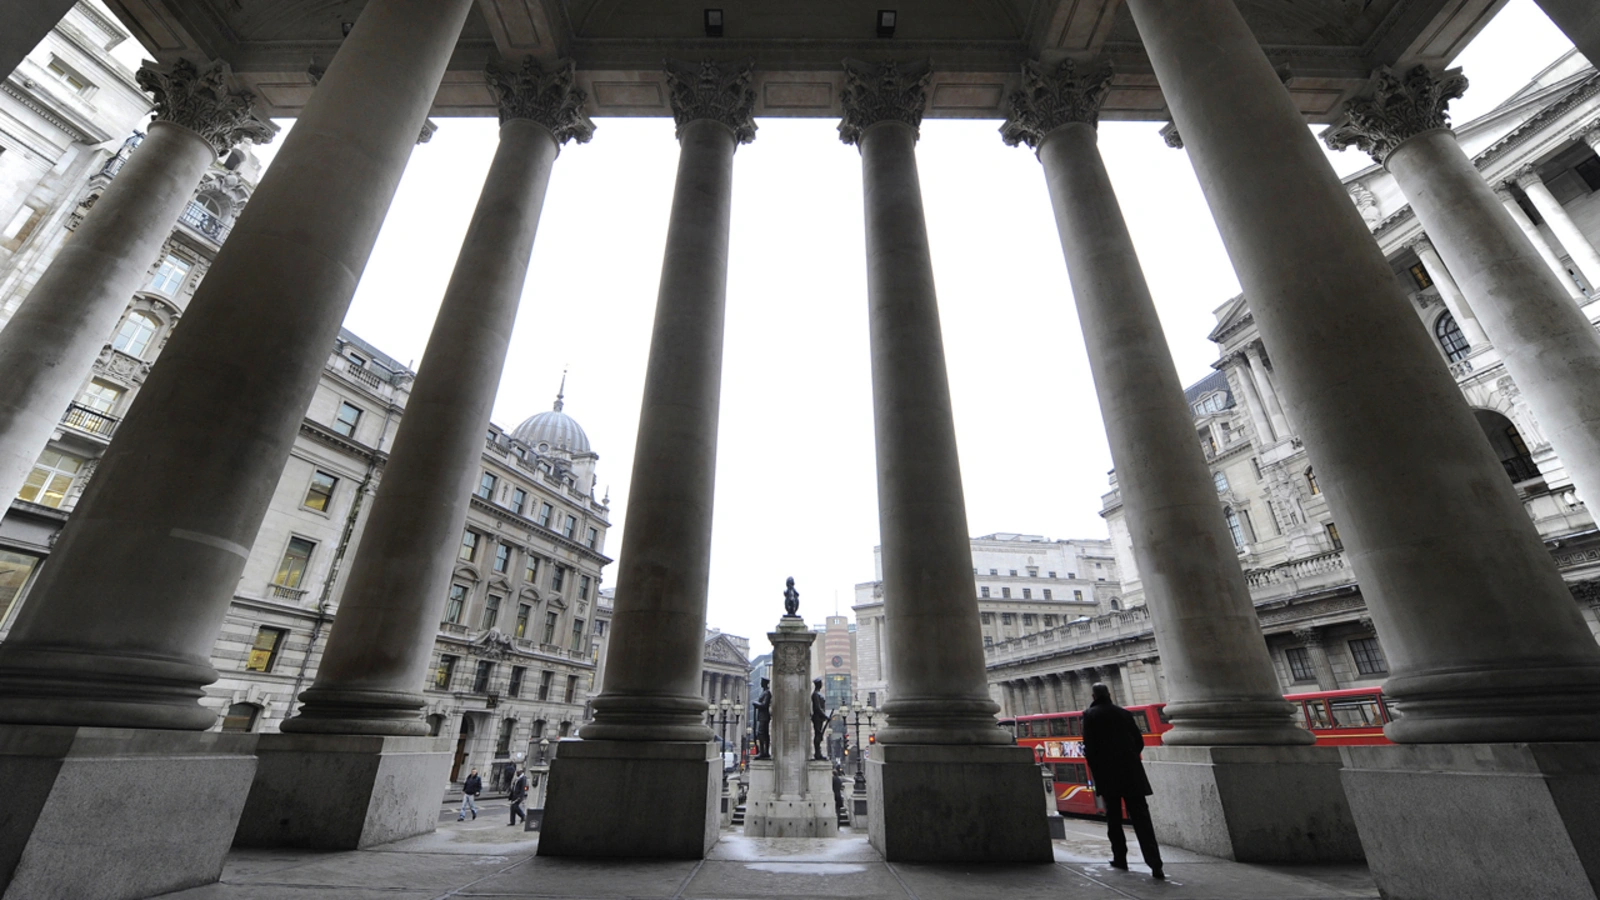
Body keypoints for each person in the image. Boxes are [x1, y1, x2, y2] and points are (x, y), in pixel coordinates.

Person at [1081, 682, 1163, 880]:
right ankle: (1155, 864)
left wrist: (1098, 770)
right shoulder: (1124, 713)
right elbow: (1139, 741)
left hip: (1109, 775)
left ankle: (1120, 858)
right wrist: (1130, 759)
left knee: (1114, 819)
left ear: (1093, 696)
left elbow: (1090, 748)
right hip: (1132, 773)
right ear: (1109, 694)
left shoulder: (1090, 716)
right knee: (1142, 819)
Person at [753, 677, 773, 759]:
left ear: (764, 683)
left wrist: (755, 703)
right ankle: (763, 752)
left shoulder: (767, 693)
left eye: (761, 682)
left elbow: (764, 705)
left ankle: (763, 752)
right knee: (762, 734)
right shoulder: (764, 692)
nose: (760, 683)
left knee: (762, 734)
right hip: (762, 716)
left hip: (764, 716)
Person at [810, 677, 829, 760]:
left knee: (819, 735)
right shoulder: (815, 694)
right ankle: (817, 753)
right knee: (818, 735)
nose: (821, 684)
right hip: (817, 717)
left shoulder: (818, 694)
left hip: (820, 718)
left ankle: (818, 752)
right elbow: (817, 707)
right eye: (820, 683)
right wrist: (825, 716)